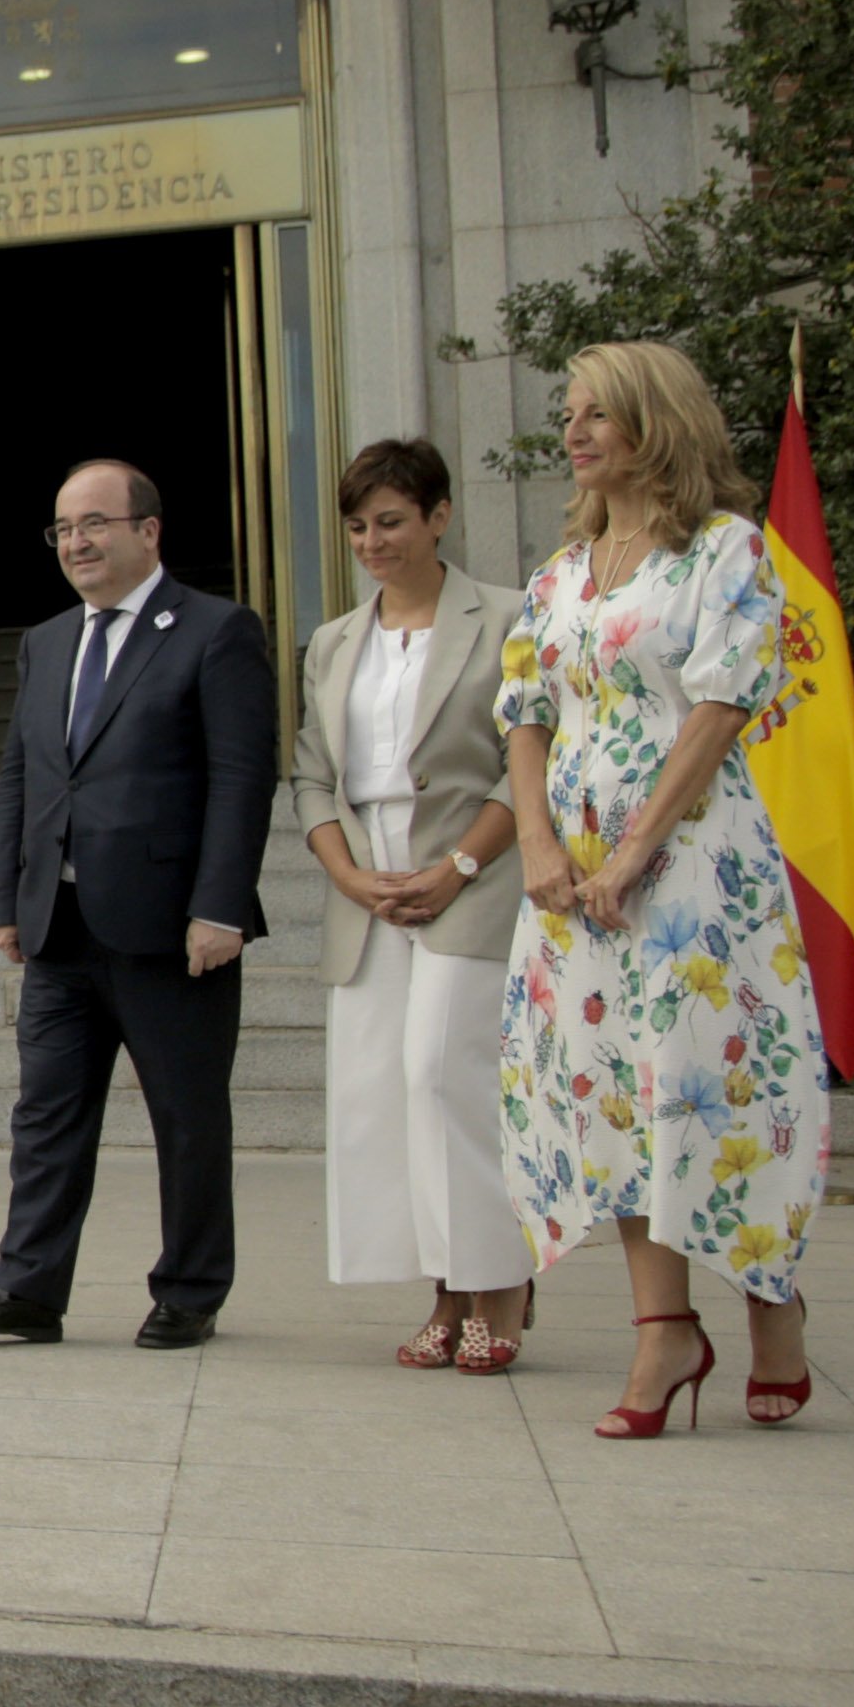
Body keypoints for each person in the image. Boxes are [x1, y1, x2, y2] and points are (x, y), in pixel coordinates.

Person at [497, 339, 829, 1437]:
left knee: (713, 1082)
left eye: (600, 412)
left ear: (657, 422)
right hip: (572, 880)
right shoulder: (557, 574)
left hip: (692, 866)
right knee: (615, 1097)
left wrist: (637, 849)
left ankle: (771, 1300)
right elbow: (526, 712)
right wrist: (540, 845)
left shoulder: (725, 551)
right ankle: (663, 1332)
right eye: (570, 413)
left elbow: (720, 709)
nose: (576, 431)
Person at [0, 459, 278, 1351]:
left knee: (187, 1119)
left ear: (148, 531)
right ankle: (28, 1288)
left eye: (95, 524)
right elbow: (22, 774)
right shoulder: (46, 642)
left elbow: (242, 780)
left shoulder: (216, 630)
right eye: (62, 529)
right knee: (45, 1115)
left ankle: (190, 1290)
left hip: (173, 930)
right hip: (60, 925)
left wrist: (222, 907)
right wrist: (4, 899)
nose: (77, 543)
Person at [289, 440, 537, 1371]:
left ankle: (496, 1289)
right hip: (368, 881)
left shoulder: (510, 619)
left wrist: (461, 866)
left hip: (474, 869)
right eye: (357, 525)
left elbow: (533, 761)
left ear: (439, 516)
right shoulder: (335, 642)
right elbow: (312, 776)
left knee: (446, 1079)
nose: (372, 541)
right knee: (383, 1095)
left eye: (390, 520)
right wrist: (346, 873)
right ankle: (443, 1287)